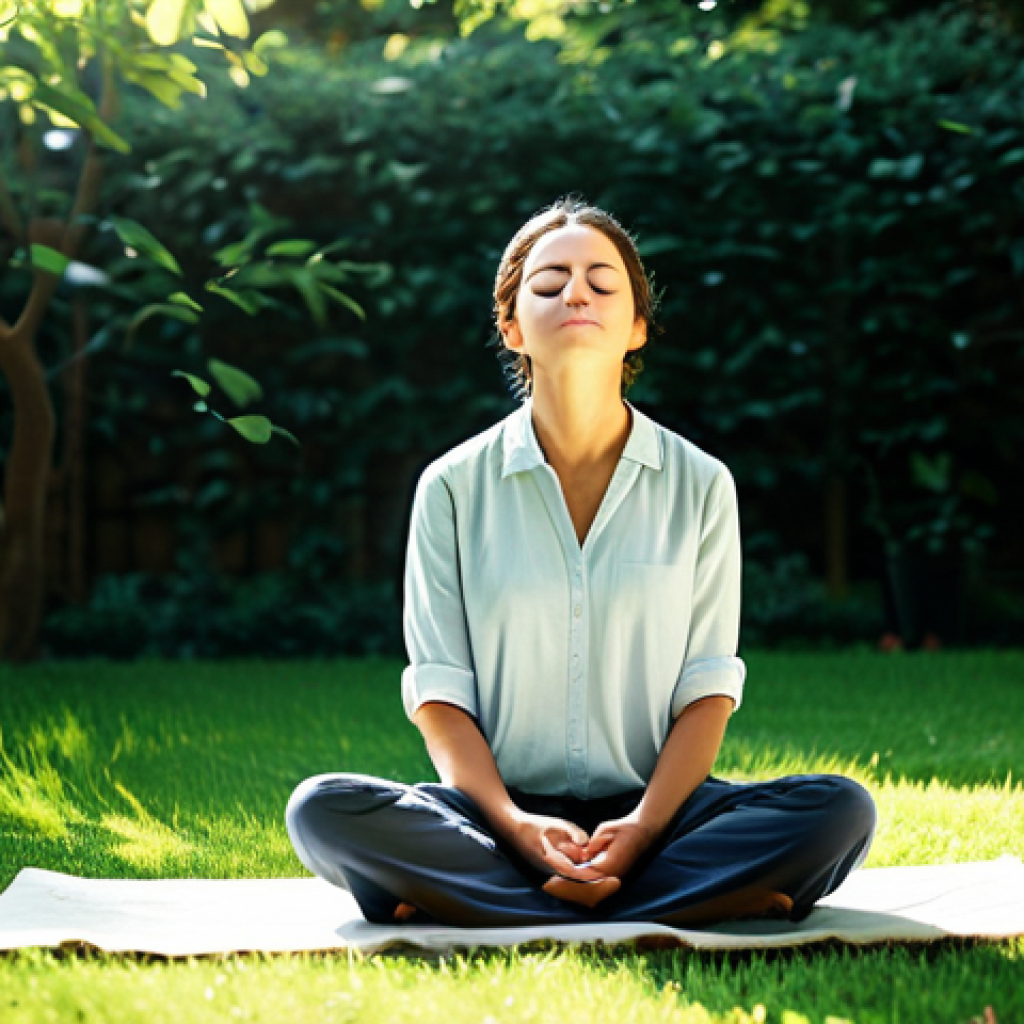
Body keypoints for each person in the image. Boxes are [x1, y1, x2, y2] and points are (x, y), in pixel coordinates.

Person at [285, 195, 877, 929]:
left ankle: (489, 904)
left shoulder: (700, 484)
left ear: (635, 329)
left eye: (602, 283)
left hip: (661, 818)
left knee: (839, 811)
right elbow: (441, 695)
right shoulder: (451, 487)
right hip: (496, 821)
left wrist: (640, 833)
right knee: (321, 809)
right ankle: (681, 900)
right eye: (548, 283)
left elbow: (706, 692)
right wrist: (516, 827)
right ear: (511, 326)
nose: (576, 293)